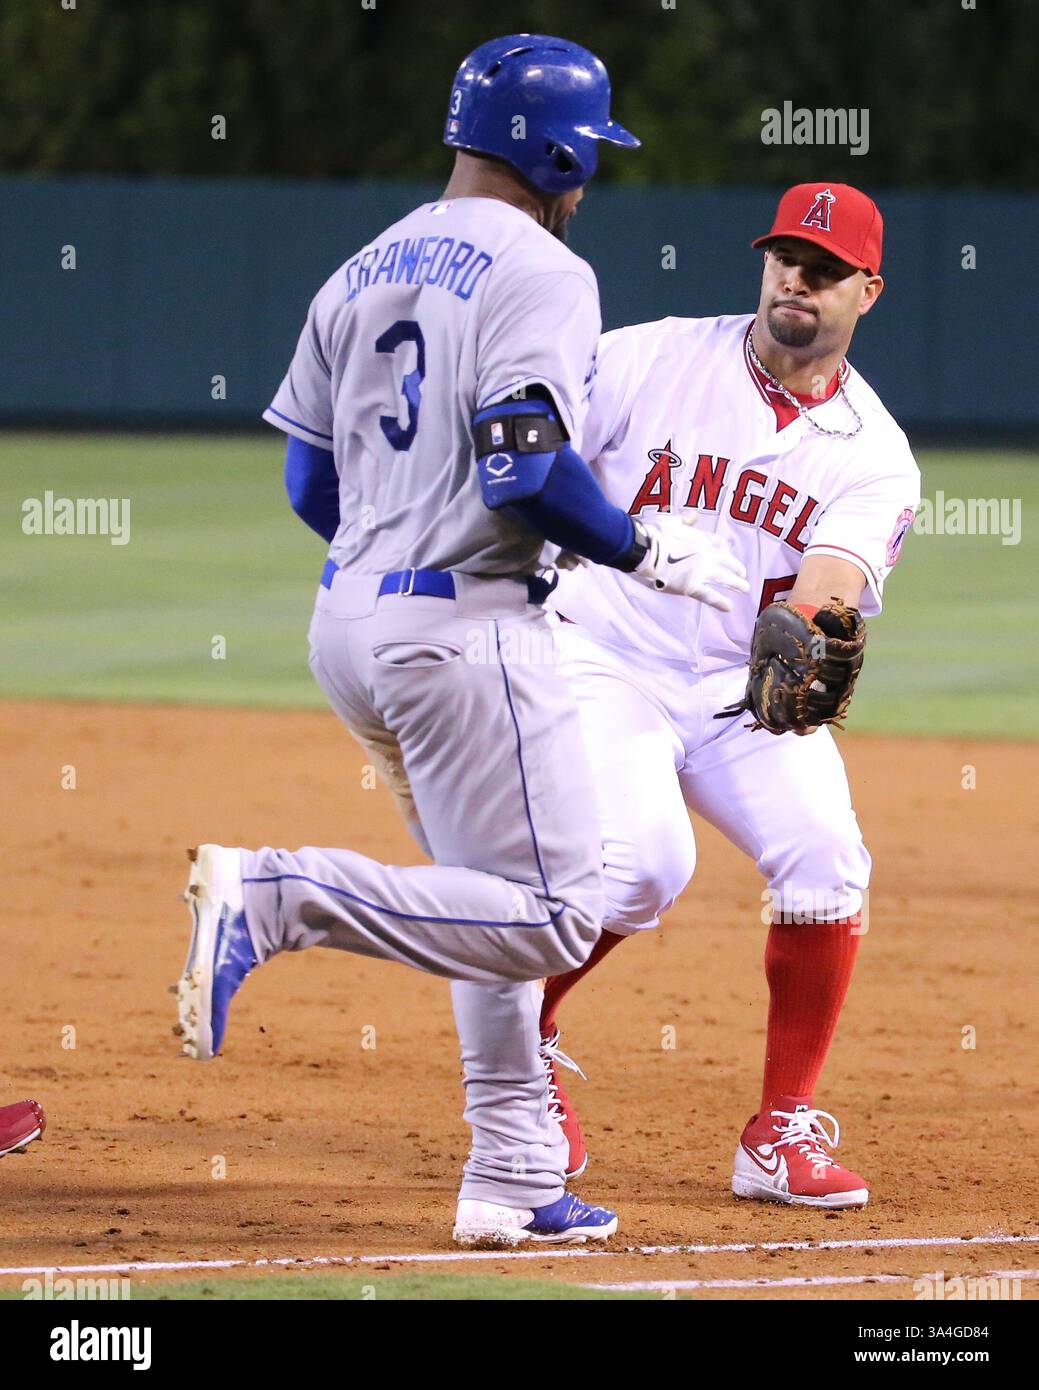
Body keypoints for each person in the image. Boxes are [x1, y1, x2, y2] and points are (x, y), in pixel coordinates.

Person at [174, 34, 746, 1247]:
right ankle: (275, 896)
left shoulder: (358, 267)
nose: (592, 174)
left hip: (350, 622)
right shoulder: (541, 266)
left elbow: (304, 479)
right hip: (466, 628)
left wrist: (393, 546)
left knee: (484, 897)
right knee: (545, 914)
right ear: (554, 148)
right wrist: (642, 550)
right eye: (589, 151)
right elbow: (525, 463)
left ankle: (514, 1175)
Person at [536, 183, 920, 1208]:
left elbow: (830, 585)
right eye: (784, 257)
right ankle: (519, 1039)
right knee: (644, 866)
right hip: (600, 654)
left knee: (828, 860)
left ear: (866, 292)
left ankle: (776, 1132)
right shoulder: (648, 355)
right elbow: (532, 455)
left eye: (826, 268)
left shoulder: (874, 453)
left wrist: (820, 626)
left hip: (732, 690)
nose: (798, 279)